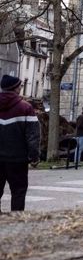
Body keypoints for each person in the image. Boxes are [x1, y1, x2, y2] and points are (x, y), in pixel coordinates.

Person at [0, 75, 40, 212]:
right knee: (18, 192)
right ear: (15, 88)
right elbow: (33, 135)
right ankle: (15, 222)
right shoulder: (25, 108)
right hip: (17, 159)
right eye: (20, 86)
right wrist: (34, 156)